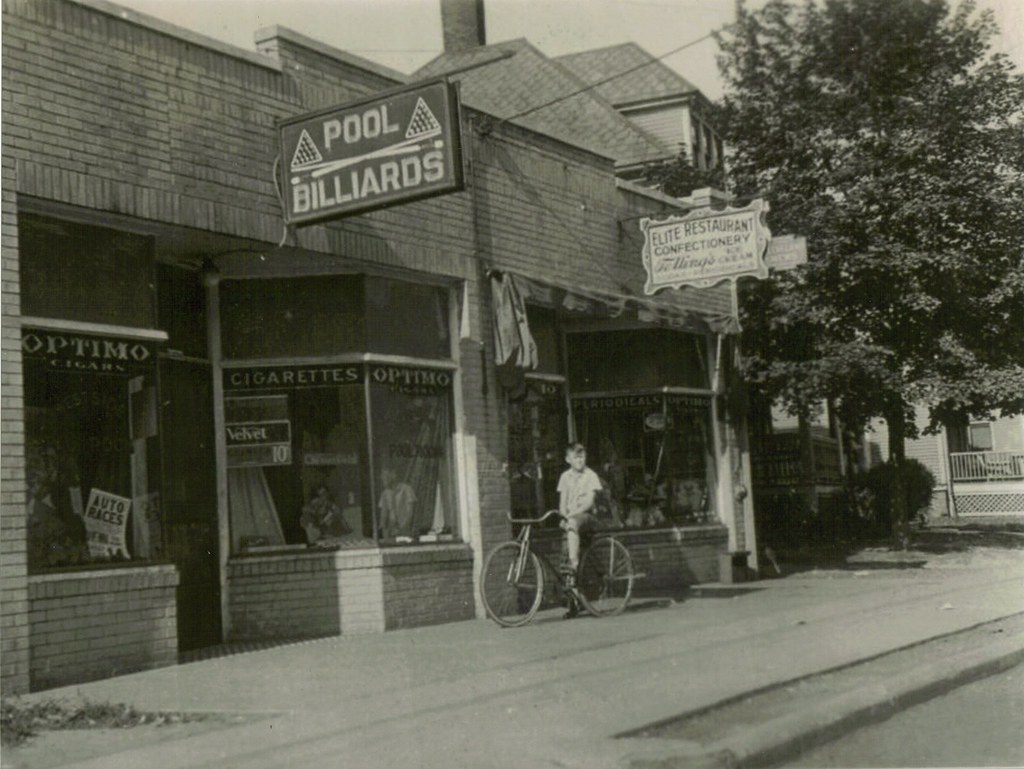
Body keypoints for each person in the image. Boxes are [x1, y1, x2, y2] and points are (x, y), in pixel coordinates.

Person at [556, 443, 603, 619]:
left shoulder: (590, 475)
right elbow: (562, 502)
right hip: (570, 520)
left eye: (582, 457)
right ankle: (573, 604)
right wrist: (563, 516)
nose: (580, 460)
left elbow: (589, 503)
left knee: (573, 526)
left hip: (586, 517)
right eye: (576, 457)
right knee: (563, 559)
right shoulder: (564, 477)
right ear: (568, 459)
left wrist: (571, 515)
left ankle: (574, 563)